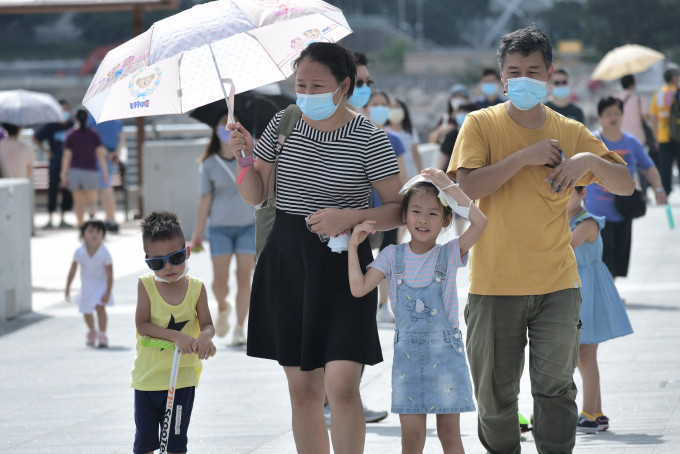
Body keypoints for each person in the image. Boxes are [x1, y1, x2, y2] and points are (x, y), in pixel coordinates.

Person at [447, 25, 635, 454]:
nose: (524, 78)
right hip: (494, 286)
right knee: (495, 400)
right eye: (515, 71)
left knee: (555, 392)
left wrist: (587, 158)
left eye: (534, 70)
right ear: (501, 76)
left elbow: (624, 184)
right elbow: (467, 188)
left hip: (557, 285)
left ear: (550, 74)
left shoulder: (568, 129)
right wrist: (525, 157)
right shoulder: (481, 124)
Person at [228, 42, 403, 453]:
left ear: (344, 86)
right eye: (300, 83)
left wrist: (349, 216)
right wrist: (242, 158)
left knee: (342, 386)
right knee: (303, 391)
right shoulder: (282, 124)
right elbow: (255, 195)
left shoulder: (369, 137)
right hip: (288, 261)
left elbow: (400, 209)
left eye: (316, 84)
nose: (305, 92)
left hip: (347, 266)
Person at [348, 168, 487, 454]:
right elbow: (359, 288)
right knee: (411, 439)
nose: (423, 219)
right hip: (408, 364)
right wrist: (353, 247)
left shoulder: (449, 254)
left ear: (446, 219)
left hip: (447, 360)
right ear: (405, 216)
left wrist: (448, 185)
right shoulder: (391, 256)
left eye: (433, 213)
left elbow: (480, 222)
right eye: (416, 211)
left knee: (450, 436)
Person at [132, 211, 216, 454]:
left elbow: (208, 324)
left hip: (182, 378)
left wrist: (204, 338)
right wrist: (176, 336)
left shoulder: (196, 288)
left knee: (176, 442)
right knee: (145, 441)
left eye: (175, 258)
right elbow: (142, 325)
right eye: (157, 263)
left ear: (187, 252)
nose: (168, 267)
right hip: (148, 379)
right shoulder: (146, 285)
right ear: (147, 261)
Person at [567, 187, 633, 434]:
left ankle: (588, 414)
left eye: (569, 193)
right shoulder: (566, 219)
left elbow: (567, 246)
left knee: (586, 355)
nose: (563, 198)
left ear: (582, 194)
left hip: (588, 291)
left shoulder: (587, 222)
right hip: (578, 288)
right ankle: (596, 412)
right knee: (581, 357)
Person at [191, 111, 254, 346]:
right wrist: (197, 233)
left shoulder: (251, 156)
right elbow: (204, 199)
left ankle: (239, 327)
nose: (226, 131)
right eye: (222, 126)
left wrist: (249, 151)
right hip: (219, 228)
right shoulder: (208, 164)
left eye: (231, 126)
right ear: (215, 131)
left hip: (248, 225)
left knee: (244, 278)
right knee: (220, 282)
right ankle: (222, 306)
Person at [586, 97, 666, 280]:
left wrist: (659, 189)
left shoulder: (632, 142)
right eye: (608, 114)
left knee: (619, 258)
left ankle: (610, 294)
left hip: (624, 209)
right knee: (603, 257)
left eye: (617, 113)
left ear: (622, 116)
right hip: (597, 212)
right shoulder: (592, 140)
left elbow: (649, 167)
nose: (613, 117)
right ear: (600, 117)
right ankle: (608, 296)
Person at [365, 90, 407, 324]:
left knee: (388, 258)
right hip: (365, 209)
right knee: (362, 257)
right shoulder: (360, 137)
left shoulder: (395, 140)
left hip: (390, 209)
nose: (380, 108)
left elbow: (402, 174)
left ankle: (383, 304)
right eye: (376, 104)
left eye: (384, 105)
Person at [64, 220, 113, 347]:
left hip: (101, 286)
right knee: (86, 311)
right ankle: (92, 330)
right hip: (86, 286)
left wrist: (107, 292)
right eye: (90, 231)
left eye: (98, 232)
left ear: (103, 234)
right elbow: (73, 270)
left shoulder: (105, 253)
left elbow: (110, 274)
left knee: (100, 308)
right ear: (83, 234)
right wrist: (67, 288)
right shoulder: (79, 252)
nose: (94, 235)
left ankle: (102, 334)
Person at [61, 108, 108, 227]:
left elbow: (66, 157)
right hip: (91, 171)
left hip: (75, 171)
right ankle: (91, 221)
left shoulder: (70, 134)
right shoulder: (93, 134)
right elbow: (100, 155)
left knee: (78, 203)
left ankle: (81, 227)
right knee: (92, 202)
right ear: (87, 119)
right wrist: (105, 172)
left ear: (75, 119)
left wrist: (64, 174)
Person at [33, 99, 74, 229]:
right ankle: (50, 218)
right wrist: (47, 151)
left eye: (66, 109)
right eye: (61, 109)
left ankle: (63, 218)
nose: (64, 112)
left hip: (68, 166)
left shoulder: (72, 126)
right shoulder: (51, 126)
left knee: (67, 192)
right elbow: (35, 138)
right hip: (55, 164)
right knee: (53, 191)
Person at [618, 74, 657, 196]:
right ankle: (643, 194)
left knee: (623, 165)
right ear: (632, 84)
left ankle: (623, 192)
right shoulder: (638, 99)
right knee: (641, 165)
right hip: (638, 137)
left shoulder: (616, 99)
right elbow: (646, 117)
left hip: (621, 137)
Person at [89, 115, 125, 232]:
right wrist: (115, 153)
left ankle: (109, 219)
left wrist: (105, 153)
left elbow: (91, 137)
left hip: (98, 157)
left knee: (104, 187)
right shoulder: (117, 119)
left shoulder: (93, 118)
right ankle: (110, 218)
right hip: (112, 157)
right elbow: (122, 138)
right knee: (107, 186)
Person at [649, 68, 680, 195]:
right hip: (678, 134)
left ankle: (665, 190)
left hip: (663, 135)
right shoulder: (677, 93)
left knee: (665, 166)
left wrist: (656, 137)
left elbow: (654, 118)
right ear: (673, 77)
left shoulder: (658, 94)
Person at [388, 97, 423, 178]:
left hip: (410, 175)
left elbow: (416, 153)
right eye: (392, 108)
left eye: (397, 107)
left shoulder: (410, 131)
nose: (395, 110)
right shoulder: (385, 131)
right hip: (392, 176)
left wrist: (421, 172)